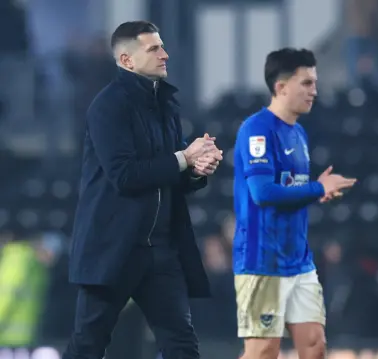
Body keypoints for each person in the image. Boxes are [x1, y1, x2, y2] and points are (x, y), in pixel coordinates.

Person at [63, 21, 222, 359]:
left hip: (160, 251)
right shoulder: (107, 106)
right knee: (88, 344)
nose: (165, 54)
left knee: (181, 344)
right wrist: (184, 157)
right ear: (127, 59)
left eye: (162, 46)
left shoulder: (165, 104)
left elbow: (170, 173)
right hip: (114, 249)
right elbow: (124, 175)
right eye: (153, 49)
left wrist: (196, 169)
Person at [232, 48, 357, 359]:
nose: (314, 91)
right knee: (263, 352)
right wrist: (317, 188)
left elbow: (290, 189)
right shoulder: (256, 129)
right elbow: (262, 193)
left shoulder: (298, 133)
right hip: (261, 260)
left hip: (298, 260)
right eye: (306, 83)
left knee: (315, 345)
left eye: (314, 83)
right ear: (281, 87)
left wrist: (317, 191)